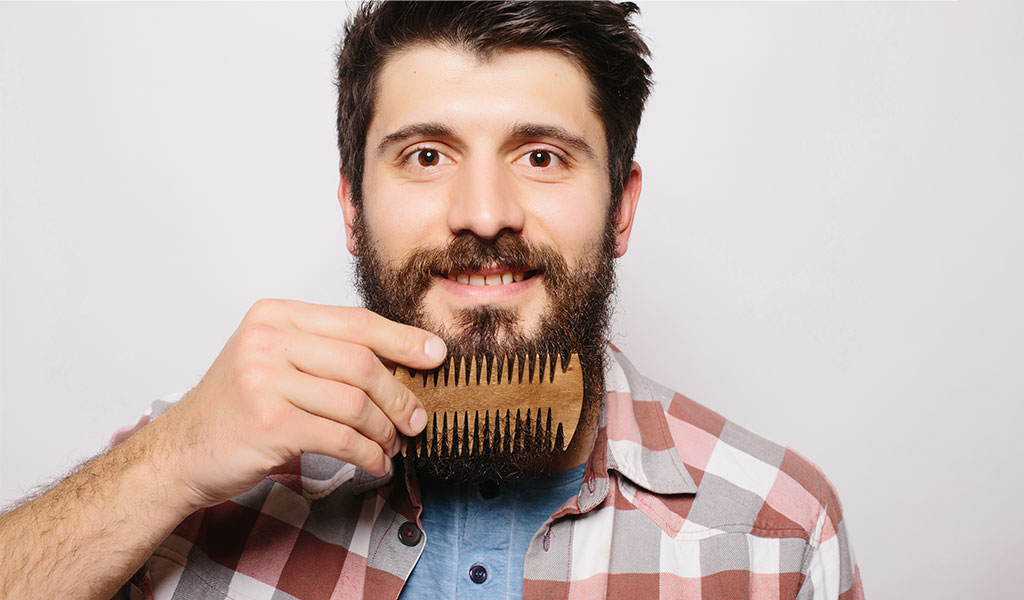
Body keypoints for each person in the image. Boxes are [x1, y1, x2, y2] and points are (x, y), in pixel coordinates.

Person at [0, 2, 863, 599]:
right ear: (351, 207)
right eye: (425, 155)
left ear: (622, 207)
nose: (483, 213)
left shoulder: (778, 533)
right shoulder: (184, 481)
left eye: (541, 157)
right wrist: (166, 461)